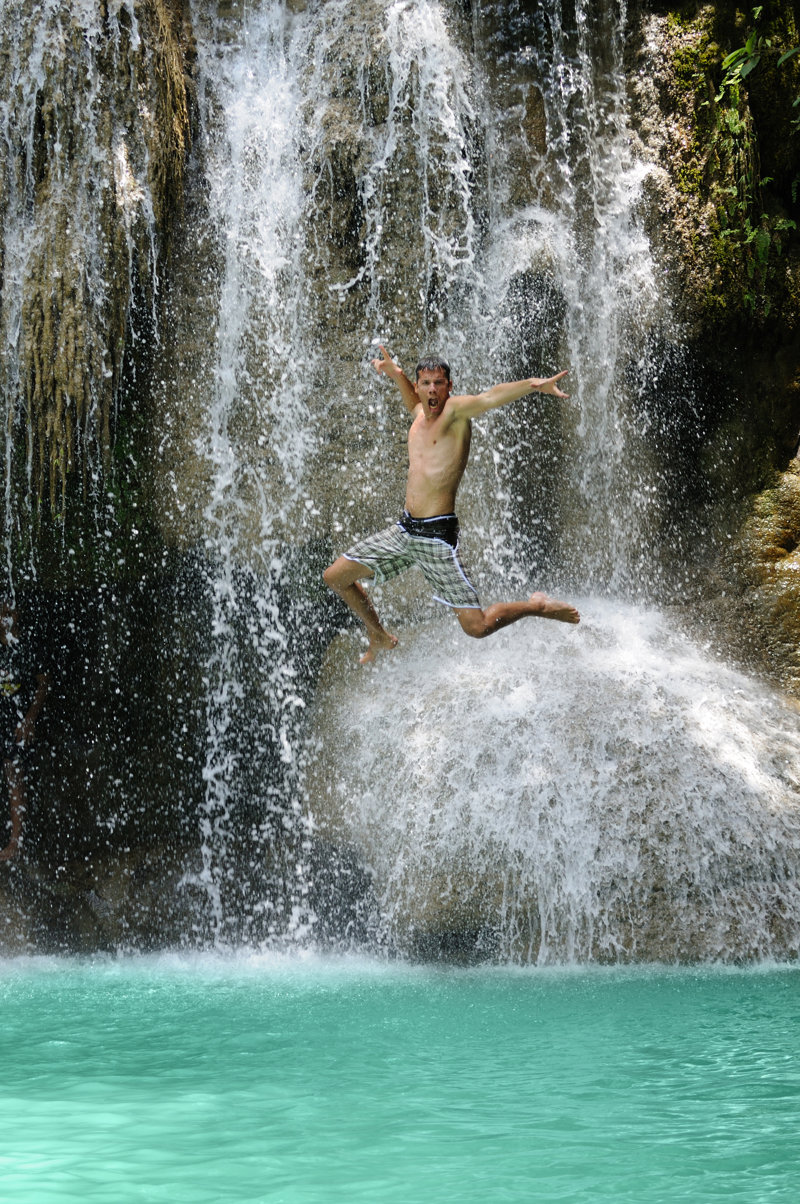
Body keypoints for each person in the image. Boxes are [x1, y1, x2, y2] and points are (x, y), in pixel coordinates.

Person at [323, 346, 580, 663]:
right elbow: (413, 403)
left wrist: (533, 385)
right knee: (335, 577)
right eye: (426, 383)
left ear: (449, 386)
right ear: (418, 386)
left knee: (477, 627)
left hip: (436, 537)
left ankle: (537, 605)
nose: (432, 389)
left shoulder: (455, 412)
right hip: (405, 531)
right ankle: (378, 635)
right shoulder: (419, 416)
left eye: (439, 383)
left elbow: (489, 397)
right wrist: (397, 375)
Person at [0, 601, 49, 861]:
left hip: (17, 721)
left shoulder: (28, 644)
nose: (5, 617)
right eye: (1, 612)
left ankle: (15, 842)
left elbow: (44, 683)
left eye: (10, 611)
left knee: (14, 774)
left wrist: (30, 719)